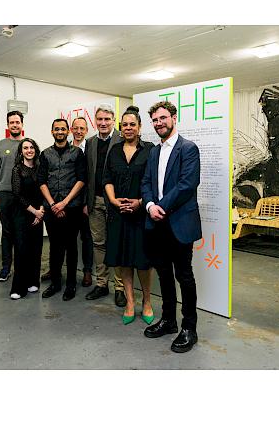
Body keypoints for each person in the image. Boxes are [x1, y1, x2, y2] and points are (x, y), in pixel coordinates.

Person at [141, 100, 202, 353]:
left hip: (178, 222)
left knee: (184, 276)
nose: (159, 123)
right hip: (157, 223)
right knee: (164, 274)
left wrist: (160, 207)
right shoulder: (154, 151)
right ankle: (168, 321)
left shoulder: (188, 148)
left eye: (163, 118)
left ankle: (189, 328)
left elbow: (188, 184)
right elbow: (145, 182)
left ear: (174, 118)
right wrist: (149, 206)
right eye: (155, 120)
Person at [104, 107, 154, 324]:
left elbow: (155, 183)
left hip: (141, 214)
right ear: (120, 127)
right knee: (124, 260)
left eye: (132, 124)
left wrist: (140, 203)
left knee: (142, 261)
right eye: (124, 124)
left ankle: (147, 301)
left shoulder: (150, 150)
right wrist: (114, 201)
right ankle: (131, 302)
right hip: (119, 215)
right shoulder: (114, 150)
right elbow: (106, 180)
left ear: (140, 126)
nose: (128, 128)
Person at [41, 116, 93, 287]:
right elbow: (41, 181)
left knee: (71, 246)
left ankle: (70, 284)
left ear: (67, 131)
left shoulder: (77, 153)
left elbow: (81, 179)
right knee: (55, 246)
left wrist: (64, 202)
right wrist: (53, 204)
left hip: (72, 207)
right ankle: (55, 283)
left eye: (63, 129)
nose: (60, 132)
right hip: (51, 207)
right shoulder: (45, 154)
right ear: (52, 131)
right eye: (57, 129)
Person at [84, 104, 126, 307]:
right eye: (99, 119)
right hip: (95, 201)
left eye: (107, 119)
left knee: (116, 243)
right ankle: (102, 283)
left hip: (116, 201)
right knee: (98, 243)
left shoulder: (122, 138)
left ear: (113, 120)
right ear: (95, 120)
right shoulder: (90, 142)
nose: (103, 123)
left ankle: (120, 287)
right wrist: (87, 201)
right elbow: (87, 174)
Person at [0, 110, 24, 282]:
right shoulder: (0, 146)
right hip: (4, 194)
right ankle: (5, 268)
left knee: (20, 232)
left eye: (17, 122)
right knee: (7, 232)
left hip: (23, 196)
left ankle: (20, 268)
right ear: (8, 125)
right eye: (12, 122)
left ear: (22, 124)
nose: (15, 125)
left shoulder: (28, 145)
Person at [9, 138, 44, 300]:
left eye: (31, 147)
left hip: (39, 212)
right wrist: (34, 212)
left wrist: (41, 211)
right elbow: (17, 195)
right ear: (21, 151)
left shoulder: (40, 168)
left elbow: (45, 189)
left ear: (35, 150)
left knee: (35, 249)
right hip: (22, 214)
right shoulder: (17, 170)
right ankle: (18, 287)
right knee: (22, 250)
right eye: (25, 148)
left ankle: (33, 282)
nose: (29, 150)